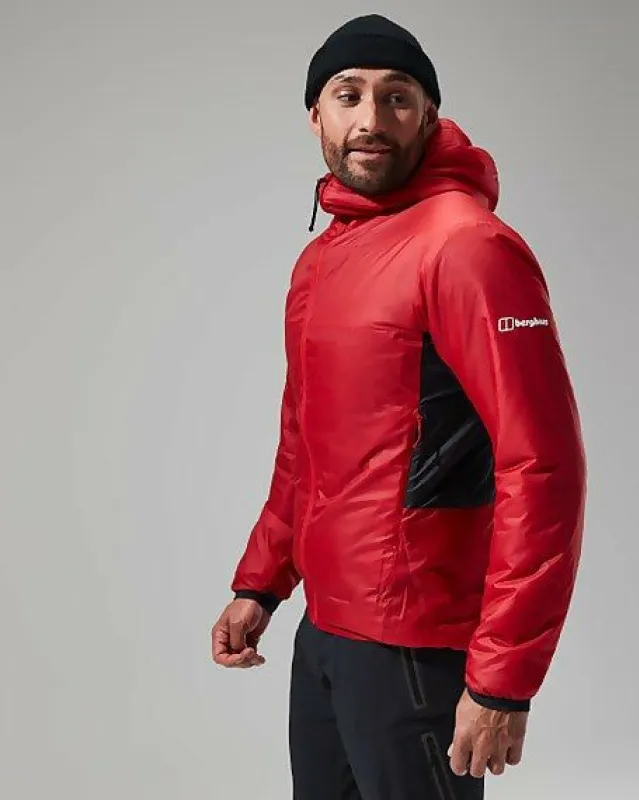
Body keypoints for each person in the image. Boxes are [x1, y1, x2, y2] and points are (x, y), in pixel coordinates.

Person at [211, 13, 588, 800]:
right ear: (316, 116)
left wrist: (503, 680)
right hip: (327, 634)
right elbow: (303, 444)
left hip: (417, 645)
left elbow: (542, 464)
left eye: (397, 97)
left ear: (429, 114)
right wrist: (261, 583)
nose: (372, 119)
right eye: (349, 96)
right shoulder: (322, 259)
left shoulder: (467, 246)